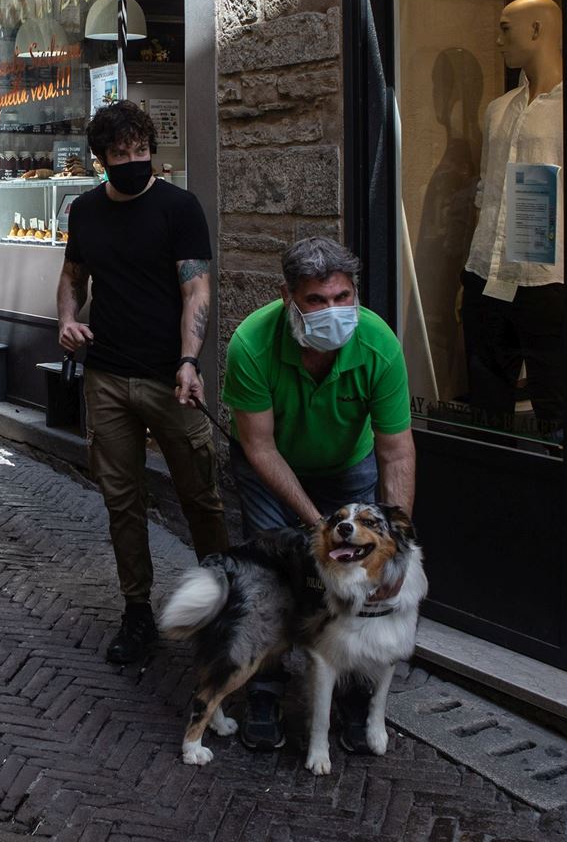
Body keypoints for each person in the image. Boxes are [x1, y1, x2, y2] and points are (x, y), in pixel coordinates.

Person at [221, 236, 416, 752]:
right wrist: (319, 529)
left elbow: (396, 452)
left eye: (343, 297)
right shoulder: (250, 344)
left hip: (350, 470)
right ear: (289, 297)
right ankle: (263, 691)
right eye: (317, 300)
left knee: (362, 584)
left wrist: (394, 545)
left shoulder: (379, 345)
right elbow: (259, 448)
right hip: (272, 470)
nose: (334, 311)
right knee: (268, 583)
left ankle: (354, 697)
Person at [57, 100, 226, 665]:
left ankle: (223, 602)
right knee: (121, 501)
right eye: (121, 153)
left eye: (141, 150)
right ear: (101, 157)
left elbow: (196, 291)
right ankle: (136, 611)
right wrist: (66, 320)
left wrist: (188, 360)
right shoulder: (83, 211)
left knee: (200, 496)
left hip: (168, 378)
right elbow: (72, 277)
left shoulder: (178, 208)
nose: (134, 161)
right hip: (105, 376)